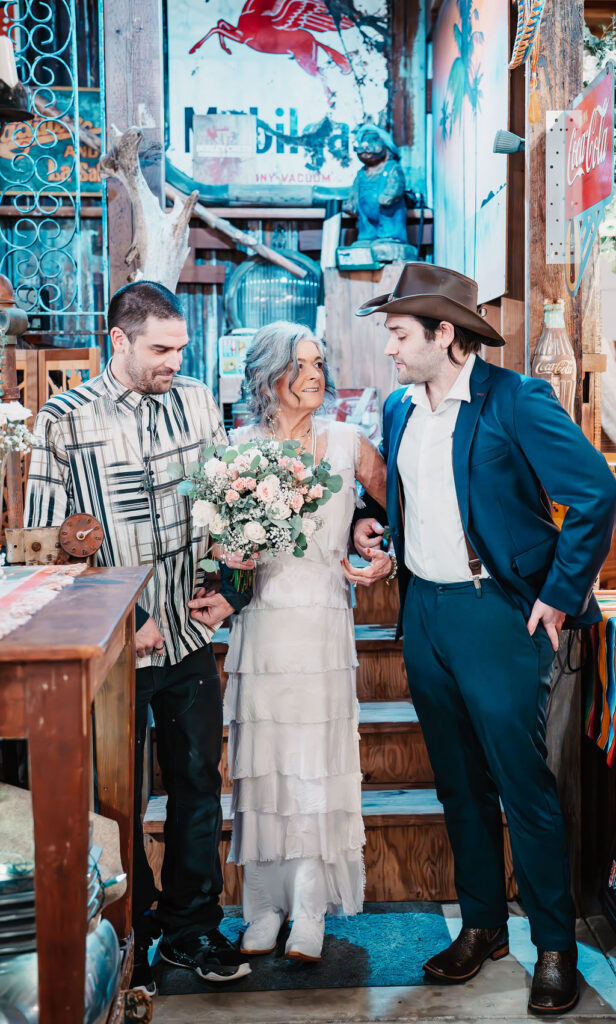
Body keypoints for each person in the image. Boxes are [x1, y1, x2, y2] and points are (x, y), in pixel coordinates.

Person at [350, 262, 616, 1015]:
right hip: (426, 613)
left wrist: (560, 600)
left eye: (400, 335)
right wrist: (382, 541)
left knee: (523, 787)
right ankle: (482, 927)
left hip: (498, 613)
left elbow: (596, 494)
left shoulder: (516, 400)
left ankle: (555, 946)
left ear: (446, 333)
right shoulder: (401, 409)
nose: (390, 351)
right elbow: (415, 501)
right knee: (458, 785)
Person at [25, 281, 254, 993]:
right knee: (114, 795)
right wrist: (125, 615)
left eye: (181, 347)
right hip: (111, 649)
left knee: (195, 787)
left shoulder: (194, 400)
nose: (174, 361)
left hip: (188, 637)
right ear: (117, 341)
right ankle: (130, 929)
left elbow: (224, 499)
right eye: (160, 349)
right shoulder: (61, 420)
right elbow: (48, 547)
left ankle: (193, 930)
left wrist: (231, 587)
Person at [224, 320, 388, 962]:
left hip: (322, 619)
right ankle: (262, 908)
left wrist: (376, 547)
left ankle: (311, 911)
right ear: (270, 375)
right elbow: (224, 556)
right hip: (262, 624)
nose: (316, 375)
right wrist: (229, 554)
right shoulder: (239, 446)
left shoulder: (349, 443)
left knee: (316, 764)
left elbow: (394, 510)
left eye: (320, 363)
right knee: (263, 766)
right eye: (302, 364)